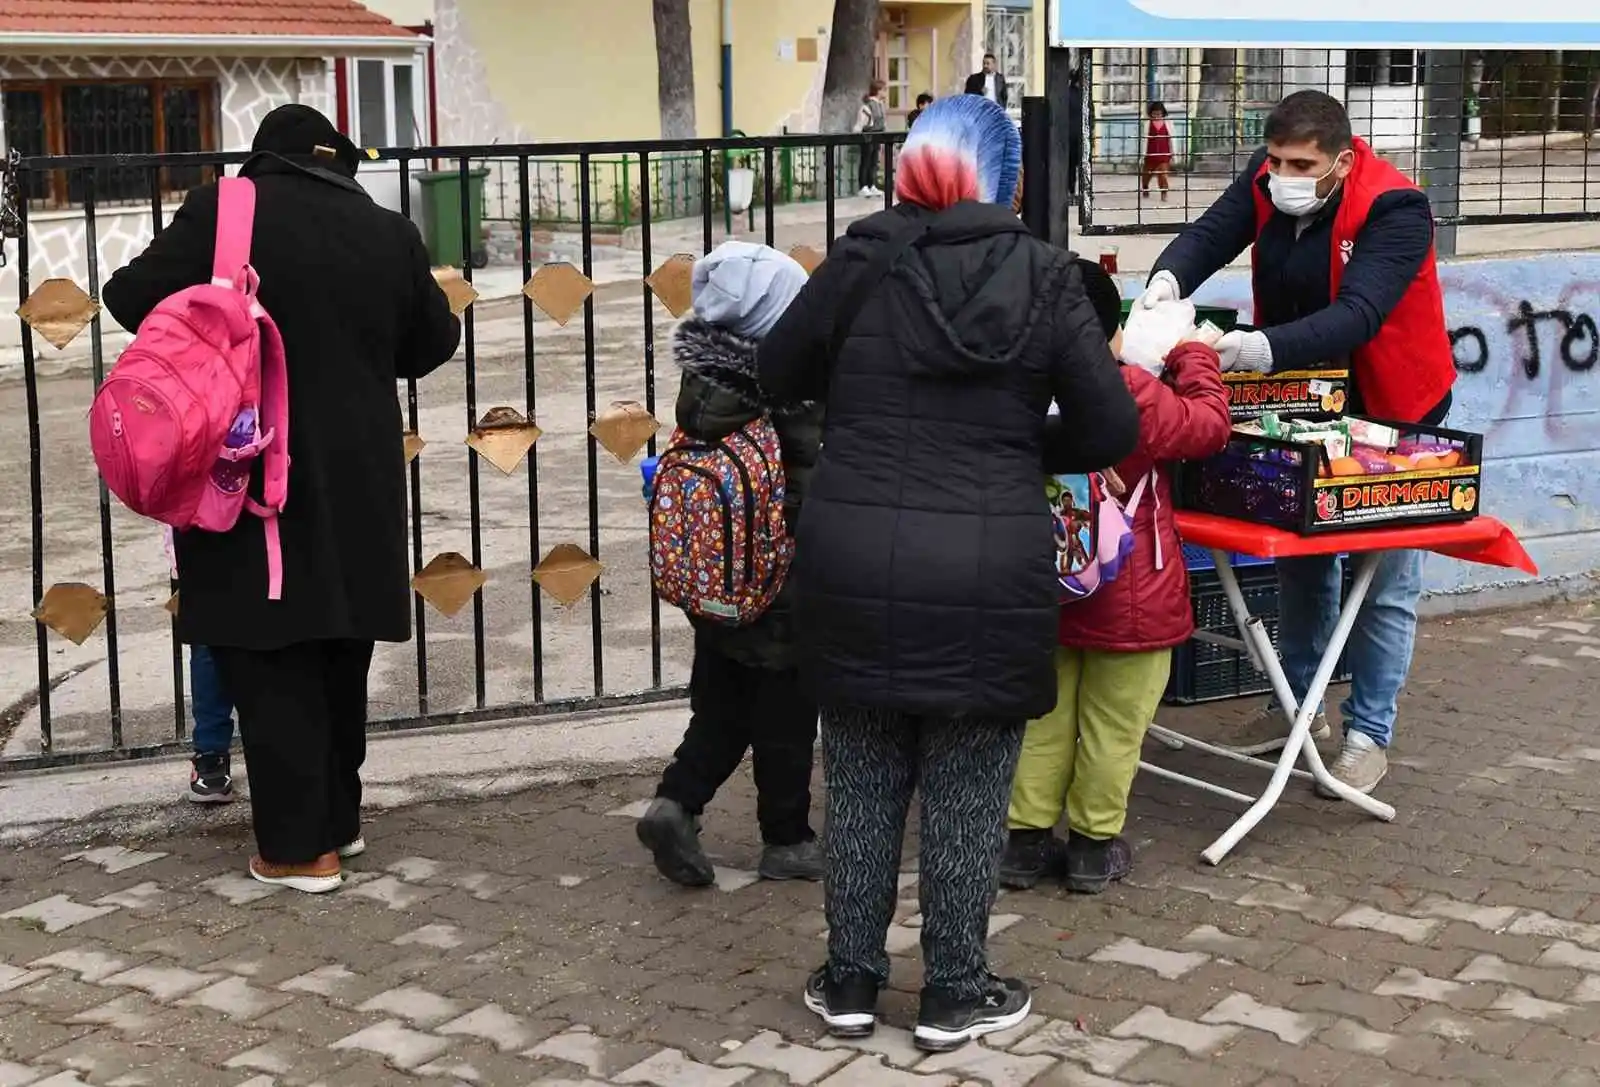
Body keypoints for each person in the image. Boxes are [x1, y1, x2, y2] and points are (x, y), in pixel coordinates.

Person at [758, 94, 1140, 1053]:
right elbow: (1110, 429)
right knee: (970, 784)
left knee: (859, 774)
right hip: (987, 566)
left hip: (852, 558)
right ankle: (956, 992)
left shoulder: (857, 261)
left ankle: (849, 981)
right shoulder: (1051, 278)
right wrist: (1017, 443)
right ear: (1005, 179)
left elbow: (775, 371)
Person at [102, 104, 462, 893]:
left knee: (269, 650)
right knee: (339, 642)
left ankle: (299, 850)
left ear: (264, 159)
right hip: (361, 474)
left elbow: (128, 297)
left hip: (251, 467)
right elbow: (433, 343)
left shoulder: (223, 211)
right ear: (337, 161)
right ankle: (338, 818)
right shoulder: (386, 229)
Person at [1137, 89, 1455, 794]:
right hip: (1304, 399)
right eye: (1276, 158)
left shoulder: (1395, 208)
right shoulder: (1265, 180)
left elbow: (1359, 314)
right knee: (1304, 562)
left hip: (1393, 404)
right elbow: (1207, 237)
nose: (1284, 173)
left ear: (1342, 160)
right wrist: (1164, 282)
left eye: (1301, 163)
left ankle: (1369, 731)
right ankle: (1301, 707)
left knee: (1384, 576)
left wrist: (1258, 347)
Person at [1002, 261, 1231, 894]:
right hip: (1132, 594)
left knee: (1040, 720)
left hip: (1039, 583)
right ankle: (1092, 848)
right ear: (1108, 332)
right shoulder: (1125, 389)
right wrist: (1192, 352)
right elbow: (1207, 427)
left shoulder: (1010, 388)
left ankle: (1023, 844)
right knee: (1113, 726)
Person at [636, 241, 825, 888]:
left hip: (716, 580)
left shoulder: (708, 384)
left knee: (719, 707)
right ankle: (788, 837)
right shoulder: (791, 393)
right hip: (782, 582)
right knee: (787, 721)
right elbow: (816, 477)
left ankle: (674, 802)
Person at [855, 80, 888, 199]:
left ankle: (871, 184)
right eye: (884, 90)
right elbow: (861, 122)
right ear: (878, 90)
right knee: (866, 161)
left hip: (877, 136)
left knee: (874, 161)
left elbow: (883, 122)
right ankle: (863, 186)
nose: (885, 92)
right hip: (868, 135)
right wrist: (857, 134)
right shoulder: (867, 106)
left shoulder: (880, 105)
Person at [1142, 101, 1173, 202]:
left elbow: (1172, 139)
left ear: (1163, 113)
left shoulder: (1168, 123)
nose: (1156, 116)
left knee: (1163, 175)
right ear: (1150, 113)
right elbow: (1143, 140)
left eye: (1159, 114)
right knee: (1147, 175)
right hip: (1150, 154)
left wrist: (1173, 154)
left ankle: (1164, 193)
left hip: (1164, 154)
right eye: (1154, 114)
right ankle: (1145, 187)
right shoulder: (1147, 124)